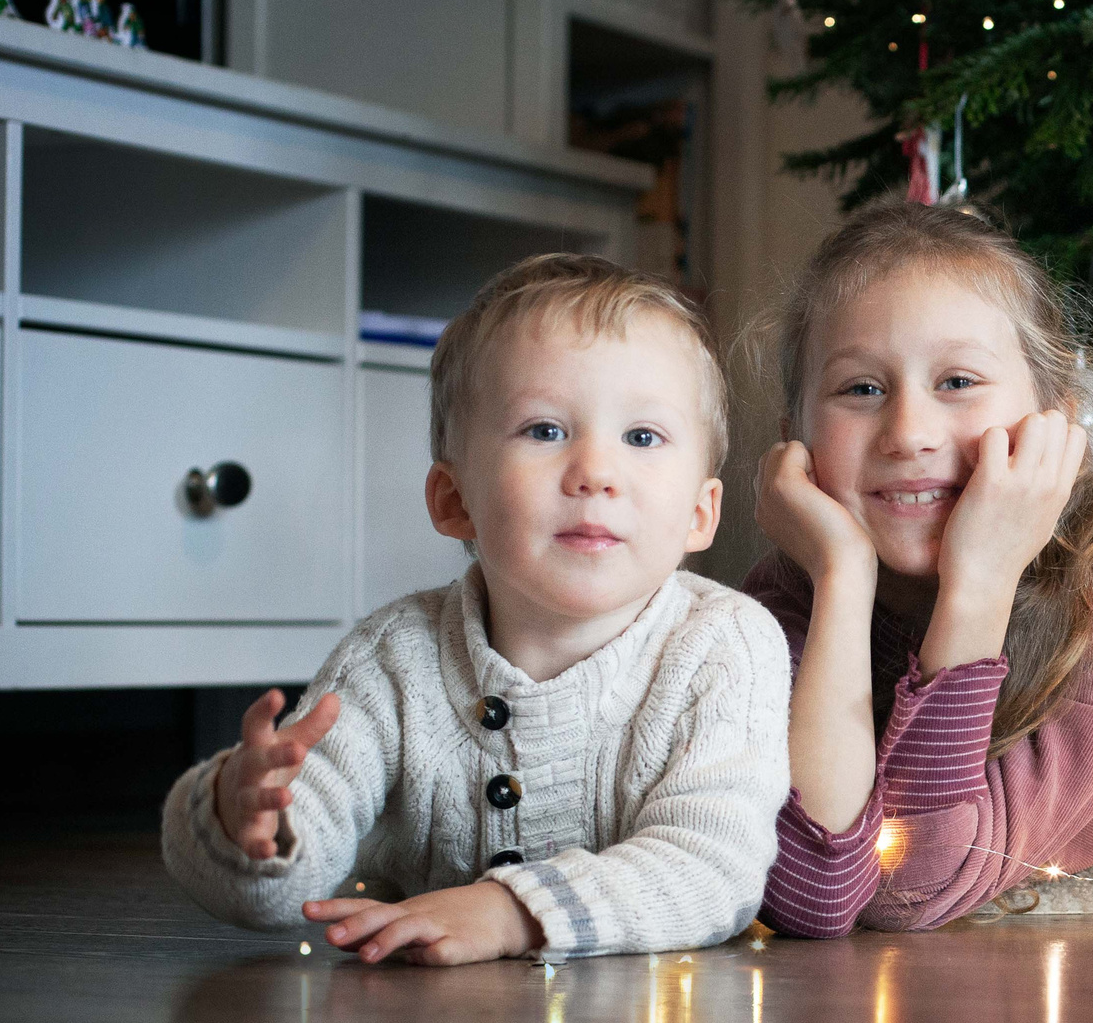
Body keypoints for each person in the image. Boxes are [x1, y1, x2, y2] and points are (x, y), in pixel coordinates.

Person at [161, 254, 790, 964]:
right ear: (454, 499)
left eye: (641, 437)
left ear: (700, 514)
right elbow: (285, 889)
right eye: (545, 430)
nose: (595, 472)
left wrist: (510, 911)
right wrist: (245, 817)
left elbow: (714, 869)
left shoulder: (725, 645)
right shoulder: (395, 659)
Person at [746, 197, 1093, 936]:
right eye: (862, 388)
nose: (909, 432)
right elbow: (815, 888)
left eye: (957, 382)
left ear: (1057, 422)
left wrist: (978, 580)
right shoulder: (796, 590)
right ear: (795, 439)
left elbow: (907, 886)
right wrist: (842, 584)